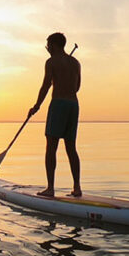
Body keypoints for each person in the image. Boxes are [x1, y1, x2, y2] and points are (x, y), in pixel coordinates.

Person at [27, 32, 81, 197]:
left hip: (58, 104)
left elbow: (45, 86)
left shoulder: (51, 62)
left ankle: (50, 188)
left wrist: (36, 106)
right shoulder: (75, 63)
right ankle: (77, 188)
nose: (47, 49)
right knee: (71, 147)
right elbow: (77, 86)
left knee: (51, 146)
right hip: (74, 105)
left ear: (55, 45)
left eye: (48, 45)